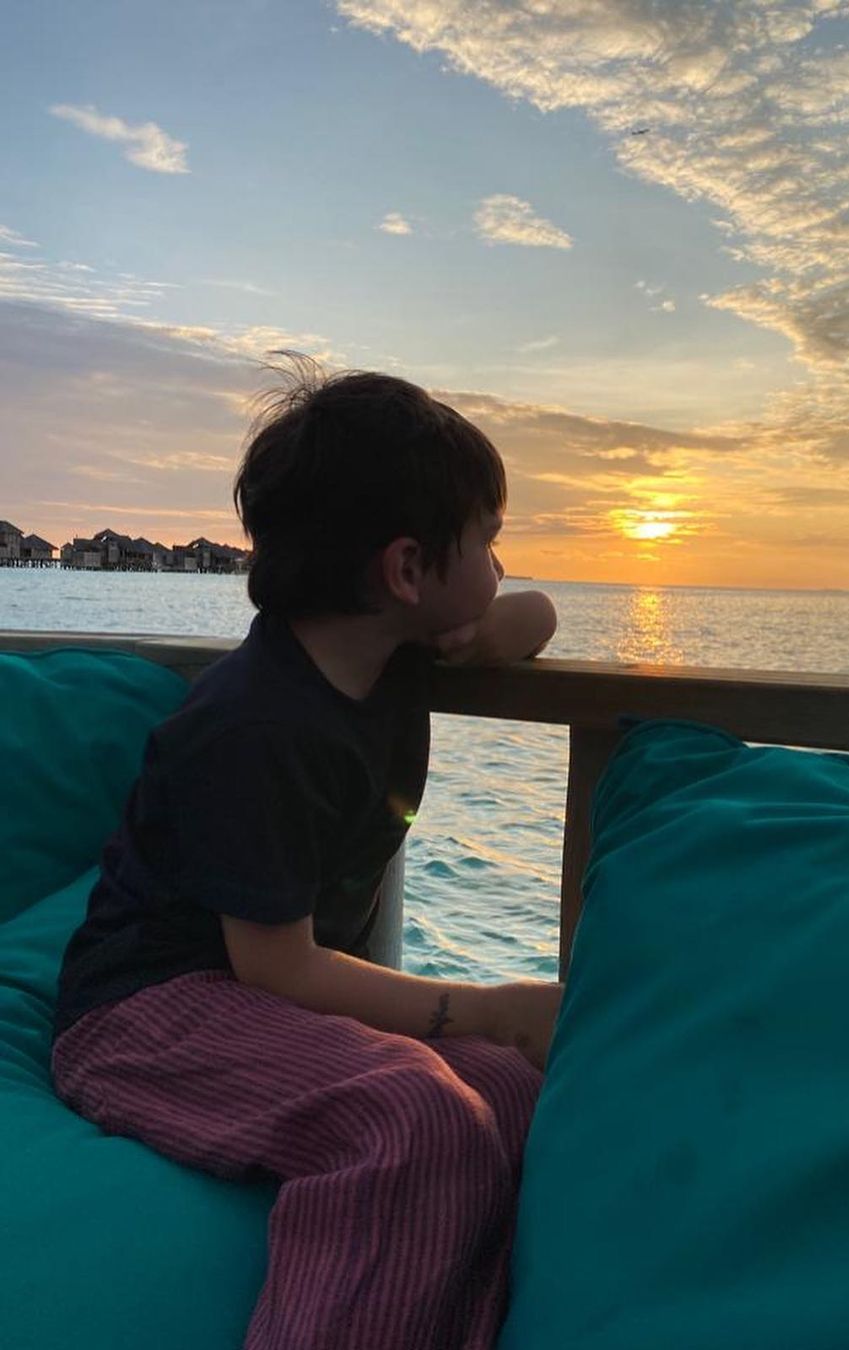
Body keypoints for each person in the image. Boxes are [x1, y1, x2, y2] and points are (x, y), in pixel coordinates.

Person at [50, 357, 563, 1350]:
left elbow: (533, 617)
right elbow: (275, 967)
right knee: (415, 1117)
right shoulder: (256, 723)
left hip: (255, 996)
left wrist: (474, 624)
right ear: (405, 570)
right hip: (144, 1014)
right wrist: (492, 1007)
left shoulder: (391, 651)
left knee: (512, 1093)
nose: (502, 566)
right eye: (489, 540)